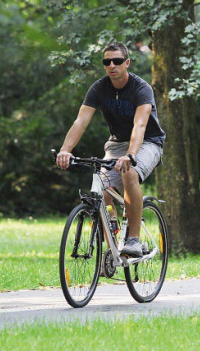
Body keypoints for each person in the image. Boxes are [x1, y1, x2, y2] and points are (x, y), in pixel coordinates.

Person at [56, 42, 165, 258]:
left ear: (127, 63)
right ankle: (112, 248)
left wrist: (131, 155)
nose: (112, 65)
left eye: (116, 61)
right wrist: (65, 150)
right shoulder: (99, 88)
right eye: (107, 62)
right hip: (117, 144)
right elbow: (81, 121)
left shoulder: (141, 88)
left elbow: (140, 126)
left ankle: (133, 239)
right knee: (101, 189)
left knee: (129, 172)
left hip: (147, 142)